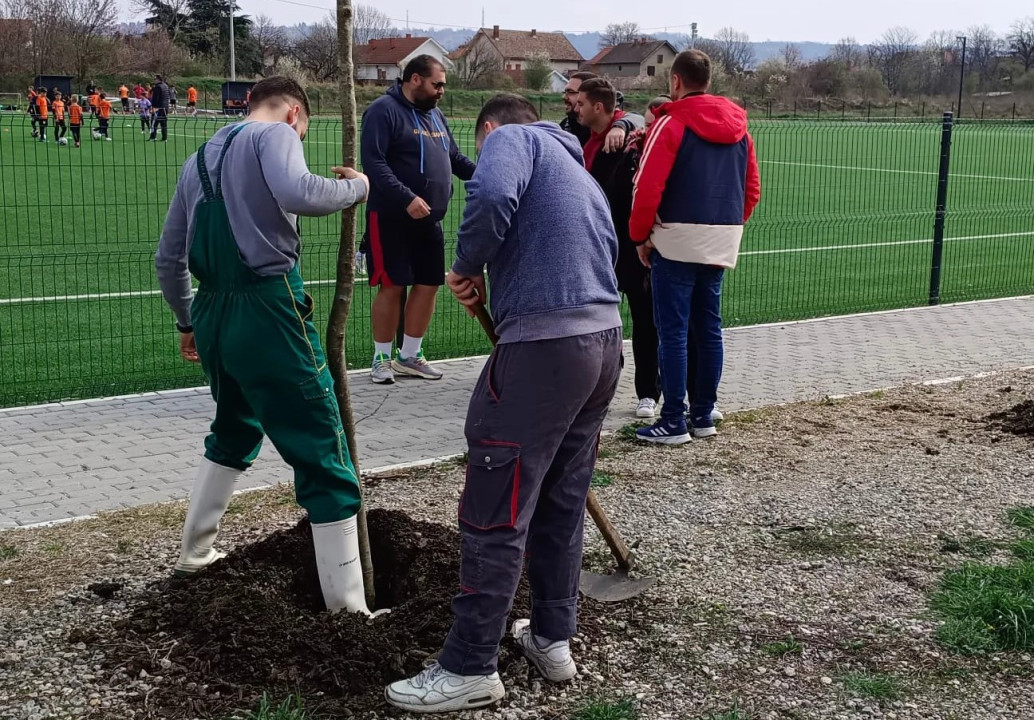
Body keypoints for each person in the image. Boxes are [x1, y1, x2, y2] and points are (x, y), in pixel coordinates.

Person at [385, 94, 623, 714]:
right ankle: (551, 637)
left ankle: (469, 665)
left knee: (496, 501)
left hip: (544, 352)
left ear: (489, 129)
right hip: (601, 345)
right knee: (561, 500)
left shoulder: (515, 140)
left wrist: (467, 267)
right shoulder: (578, 170)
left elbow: (491, 197)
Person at [154, 76, 377, 616]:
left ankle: (195, 552)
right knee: (321, 445)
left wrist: (189, 322)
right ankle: (349, 610)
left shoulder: (199, 157)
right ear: (294, 113)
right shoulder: (275, 135)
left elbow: (168, 258)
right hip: (268, 305)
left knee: (233, 426)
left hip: (212, 314)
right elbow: (301, 193)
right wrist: (358, 187)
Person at [631, 50, 761, 444]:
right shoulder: (741, 128)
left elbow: (647, 185)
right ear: (708, 79)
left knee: (672, 331)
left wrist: (641, 236)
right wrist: (730, 225)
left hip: (675, 236)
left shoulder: (670, 124)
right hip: (721, 234)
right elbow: (751, 188)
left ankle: (672, 419)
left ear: (675, 82)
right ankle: (703, 412)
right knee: (709, 327)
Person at [359, 54, 475, 384]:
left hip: (430, 220)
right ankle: (381, 358)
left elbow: (454, 158)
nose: (441, 91)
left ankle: (410, 355)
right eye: (437, 84)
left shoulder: (436, 115)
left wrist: (486, 177)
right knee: (392, 285)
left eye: (443, 86)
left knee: (428, 284)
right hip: (391, 217)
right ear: (414, 80)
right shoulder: (383, 111)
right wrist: (406, 197)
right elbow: (375, 162)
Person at [560, 71, 641, 152]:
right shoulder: (566, 125)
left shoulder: (603, 125)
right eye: (565, 92)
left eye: (570, 92)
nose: (564, 97)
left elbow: (638, 119)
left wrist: (620, 126)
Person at [149, 75, 171, 142]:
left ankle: (153, 137)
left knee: (154, 123)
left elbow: (156, 98)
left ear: (158, 79)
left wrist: (153, 107)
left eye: (155, 79)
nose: (154, 80)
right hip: (165, 107)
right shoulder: (166, 86)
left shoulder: (158, 87)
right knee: (163, 123)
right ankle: (164, 138)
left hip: (158, 108)